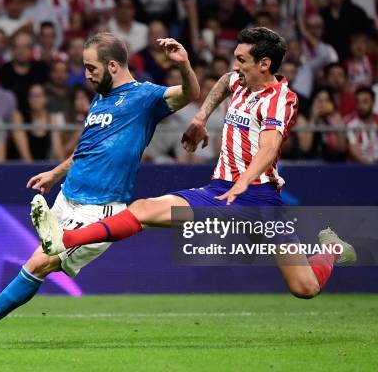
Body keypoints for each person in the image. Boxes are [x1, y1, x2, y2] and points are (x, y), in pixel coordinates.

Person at [34, 27, 357, 302]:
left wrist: (245, 180)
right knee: (144, 209)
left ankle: (332, 249)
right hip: (218, 192)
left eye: (242, 60)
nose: (235, 66)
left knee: (305, 288)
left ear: (265, 64)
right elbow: (222, 83)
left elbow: (270, 146)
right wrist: (201, 118)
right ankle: (67, 239)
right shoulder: (240, 81)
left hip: (259, 200)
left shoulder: (282, 99)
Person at [0, 32, 199, 344]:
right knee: (37, 264)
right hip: (67, 197)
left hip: (100, 211)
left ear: (114, 66)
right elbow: (87, 149)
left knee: (41, 262)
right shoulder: (99, 100)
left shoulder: (145, 98)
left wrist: (185, 64)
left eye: (91, 68)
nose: (86, 74)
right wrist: (55, 173)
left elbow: (189, 93)